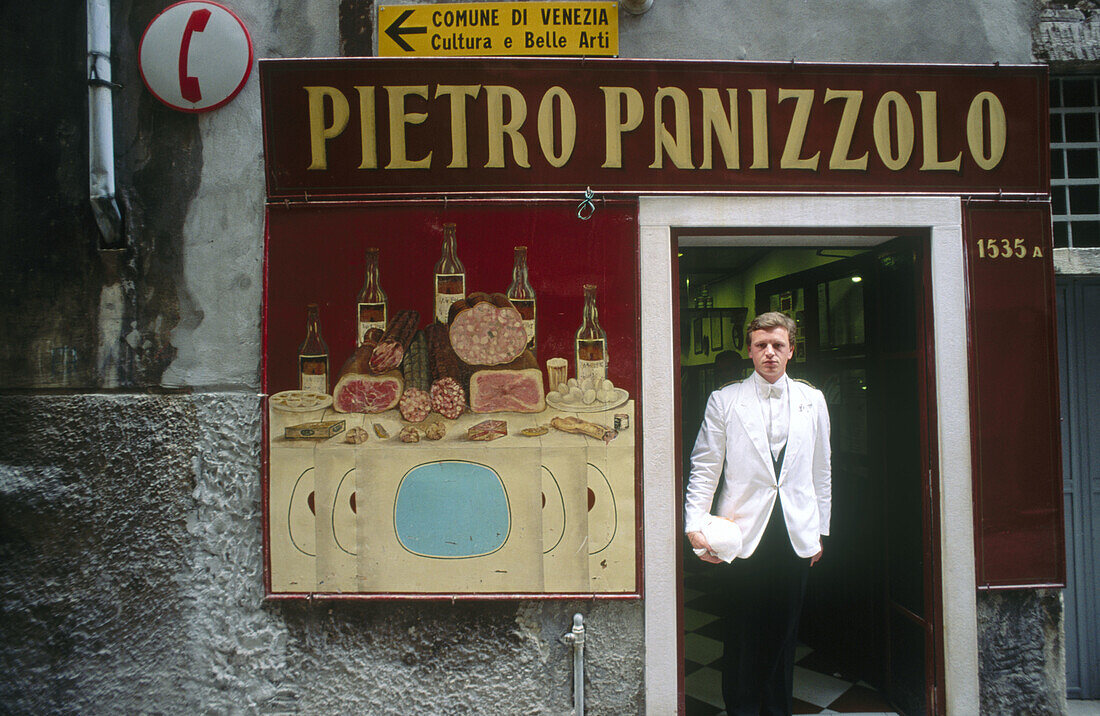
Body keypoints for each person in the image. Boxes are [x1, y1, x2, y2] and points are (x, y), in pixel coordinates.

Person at [685, 311, 831, 716]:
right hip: (742, 535)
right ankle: (743, 710)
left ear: (791, 351)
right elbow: (705, 466)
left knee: (784, 636)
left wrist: (820, 531)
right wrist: (695, 525)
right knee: (743, 632)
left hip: (795, 535)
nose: (770, 353)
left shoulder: (812, 400)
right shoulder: (725, 400)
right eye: (761, 345)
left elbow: (822, 469)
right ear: (749, 350)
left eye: (778, 345)